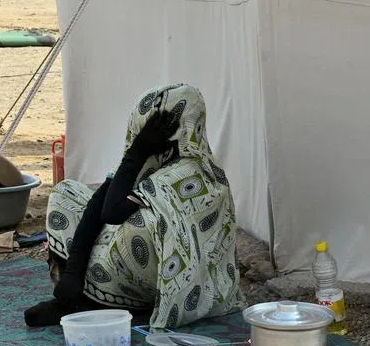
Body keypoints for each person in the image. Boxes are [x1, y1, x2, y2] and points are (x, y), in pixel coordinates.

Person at [25, 83, 244, 329]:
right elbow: (101, 199)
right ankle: (74, 295)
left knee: (141, 224)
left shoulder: (187, 175)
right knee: (65, 193)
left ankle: (94, 303)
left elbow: (113, 212)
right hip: (116, 267)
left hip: (154, 281)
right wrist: (73, 272)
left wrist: (137, 153)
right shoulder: (156, 162)